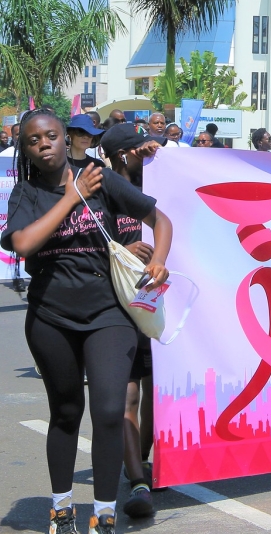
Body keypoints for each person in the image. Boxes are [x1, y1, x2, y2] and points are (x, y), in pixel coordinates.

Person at [1, 110, 172, 534]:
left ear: (65, 139)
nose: (45, 144)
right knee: (65, 412)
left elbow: (159, 219)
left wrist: (161, 260)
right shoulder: (26, 192)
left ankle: (104, 512)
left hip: (108, 314)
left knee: (110, 410)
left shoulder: (98, 175)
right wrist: (71, 198)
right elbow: (23, 244)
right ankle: (61, 509)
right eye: (34, 139)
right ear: (26, 148)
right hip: (50, 317)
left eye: (52, 135)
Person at [100, 124, 162, 520]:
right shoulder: (101, 193)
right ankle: (137, 476)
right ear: (123, 154)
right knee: (130, 394)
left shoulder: (160, 185)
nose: (147, 155)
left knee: (158, 391)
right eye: (141, 150)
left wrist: (166, 150)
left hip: (157, 302)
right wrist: (123, 249)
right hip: (119, 306)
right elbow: (86, 243)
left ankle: (139, 456)